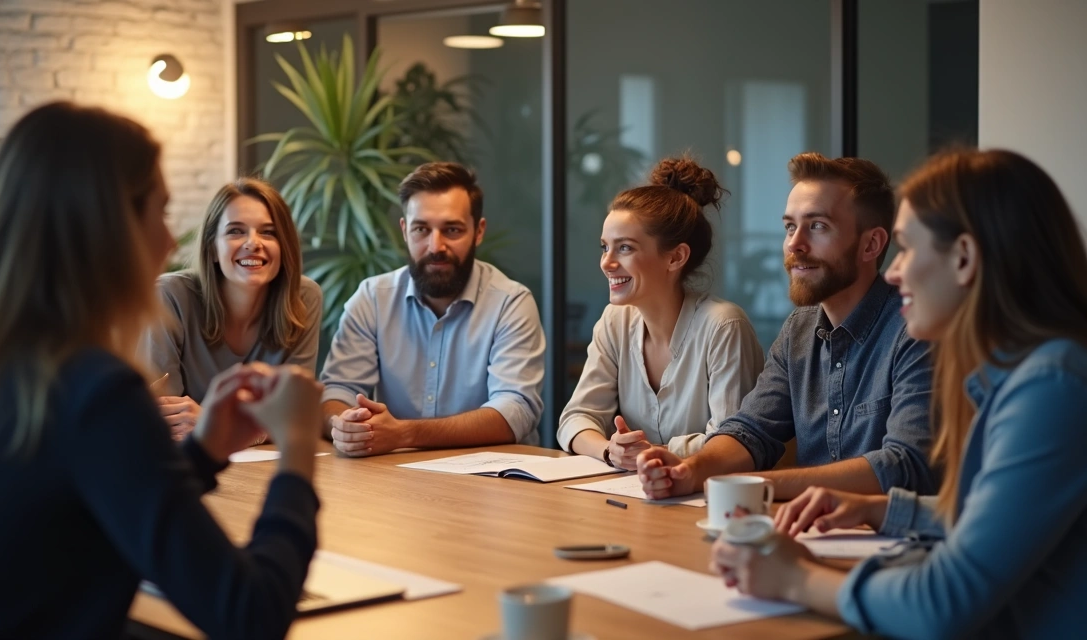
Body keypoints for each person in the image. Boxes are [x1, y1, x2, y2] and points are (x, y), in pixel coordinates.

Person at [0, 102, 323, 639]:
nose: (171, 241)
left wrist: (205, 451)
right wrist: (297, 450)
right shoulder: (90, 389)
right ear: (109, 228)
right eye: (159, 212)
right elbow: (252, 615)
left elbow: (76, 514)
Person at [711, 149, 1087, 639]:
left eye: (907, 248)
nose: (893, 272)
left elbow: (940, 605)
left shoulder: (1050, 387)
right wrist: (879, 509)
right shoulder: (1018, 374)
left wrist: (794, 578)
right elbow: (991, 519)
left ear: (964, 258)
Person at [639, 153, 936, 500]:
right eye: (790, 227)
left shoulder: (917, 329)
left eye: (818, 226)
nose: (794, 244)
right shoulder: (800, 329)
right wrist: (690, 470)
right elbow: (750, 430)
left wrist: (755, 486)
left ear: (870, 244)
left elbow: (904, 466)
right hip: (806, 525)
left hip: (890, 530)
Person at [321, 162, 545, 456]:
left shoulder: (510, 302)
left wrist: (404, 433)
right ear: (405, 230)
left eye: (452, 230)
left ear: (478, 232)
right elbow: (337, 390)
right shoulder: (372, 298)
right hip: (393, 474)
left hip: (492, 476)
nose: (435, 246)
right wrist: (343, 425)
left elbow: (515, 411)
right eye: (421, 229)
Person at [558, 157, 764, 470]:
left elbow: (733, 443)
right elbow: (576, 418)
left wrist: (651, 452)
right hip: (634, 491)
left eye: (624, 248)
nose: (607, 263)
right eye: (604, 247)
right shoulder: (615, 321)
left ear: (676, 257)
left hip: (710, 494)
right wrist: (610, 450)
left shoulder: (724, 326)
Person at [142, 178, 322, 440]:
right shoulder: (170, 296)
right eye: (236, 231)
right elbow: (164, 417)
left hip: (265, 460)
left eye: (268, 232)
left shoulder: (304, 297)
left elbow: (297, 414)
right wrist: (257, 426)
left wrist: (215, 424)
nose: (253, 243)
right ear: (212, 248)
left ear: (284, 246)